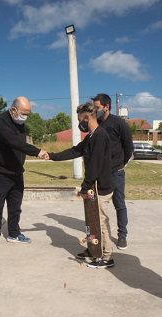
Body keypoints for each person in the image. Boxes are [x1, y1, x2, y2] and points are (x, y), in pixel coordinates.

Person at [49, 102, 115, 269]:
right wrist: (52, 156)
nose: (80, 124)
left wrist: (85, 187)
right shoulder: (92, 136)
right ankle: (93, 250)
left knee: (100, 223)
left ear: (87, 117)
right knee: (92, 221)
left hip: (101, 187)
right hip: (94, 186)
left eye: (80, 119)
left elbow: (95, 165)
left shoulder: (100, 135)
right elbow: (75, 151)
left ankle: (106, 257)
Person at [0, 96, 49, 250]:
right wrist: (37, 151)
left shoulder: (20, 124)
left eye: (27, 114)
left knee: (15, 207)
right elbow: (15, 142)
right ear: (13, 109)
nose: (24, 117)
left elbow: (20, 145)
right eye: (23, 113)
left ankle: (14, 233)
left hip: (16, 172)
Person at [92, 93, 133, 250]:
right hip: (100, 173)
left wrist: (121, 163)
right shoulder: (96, 124)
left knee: (119, 204)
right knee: (98, 206)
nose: (95, 111)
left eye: (97, 108)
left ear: (106, 107)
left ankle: (122, 235)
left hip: (116, 172)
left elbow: (128, 147)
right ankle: (101, 234)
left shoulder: (119, 123)